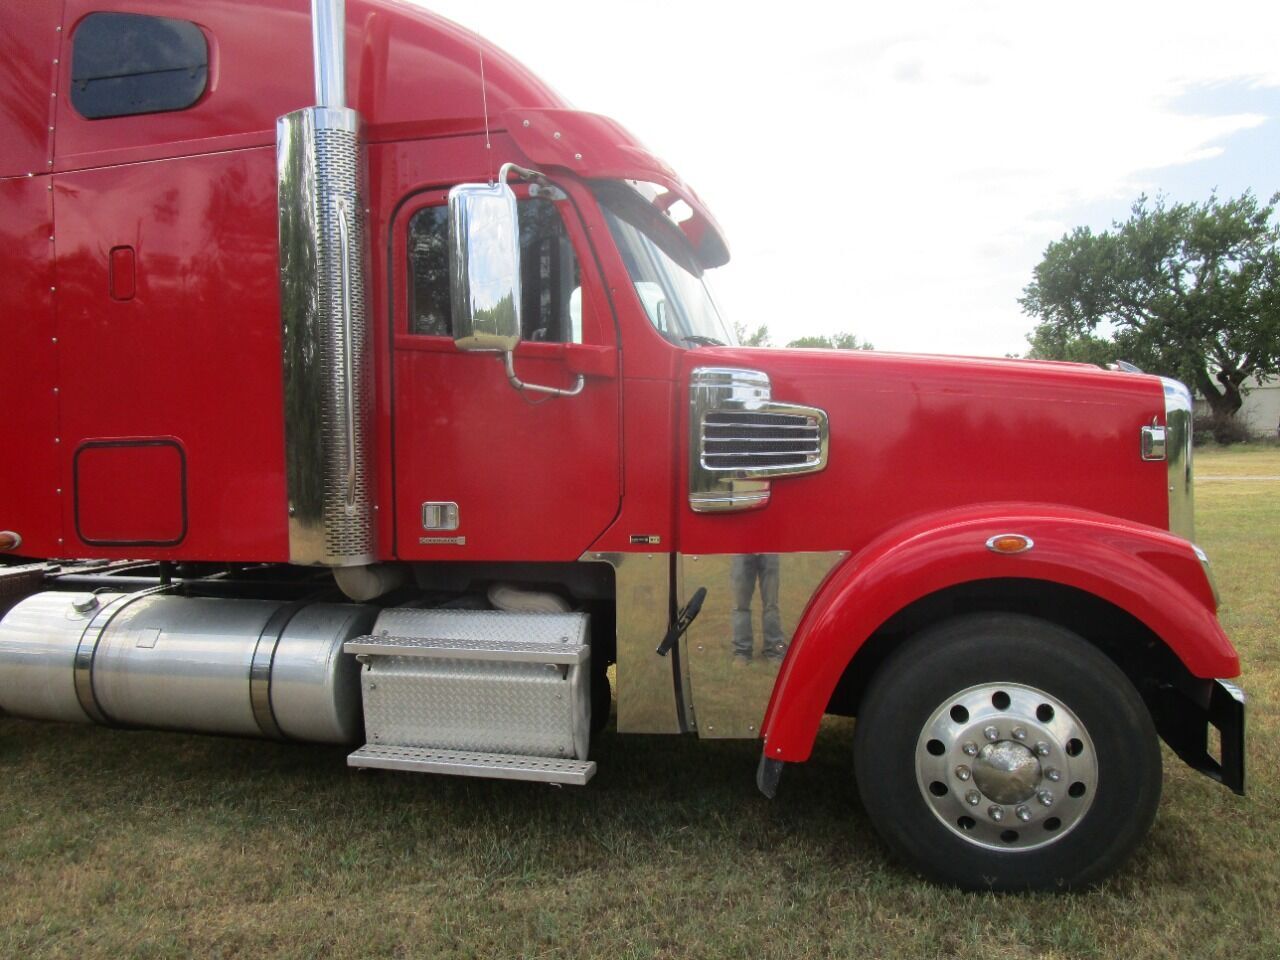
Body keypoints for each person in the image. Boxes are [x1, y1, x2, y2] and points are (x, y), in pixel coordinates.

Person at [730, 553, 785, 664]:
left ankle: (774, 650)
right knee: (741, 605)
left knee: (771, 604)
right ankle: (742, 652)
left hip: (770, 547)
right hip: (742, 549)